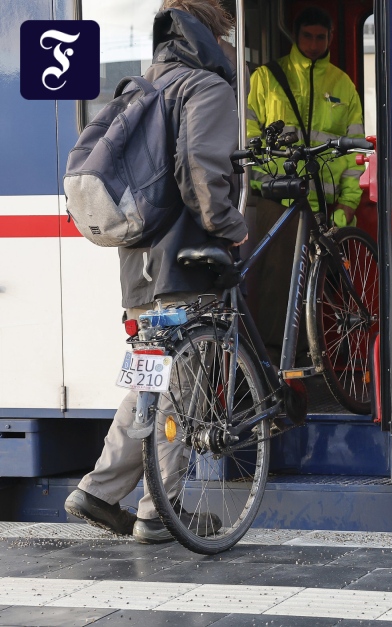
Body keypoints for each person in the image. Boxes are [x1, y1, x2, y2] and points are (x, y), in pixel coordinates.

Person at [64, 0, 248, 544]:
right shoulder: (204, 87)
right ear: (216, 30)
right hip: (183, 264)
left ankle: (100, 489)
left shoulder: (142, 86)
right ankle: (159, 510)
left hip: (138, 267)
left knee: (149, 379)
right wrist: (232, 225)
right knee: (182, 388)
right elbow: (202, 173)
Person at [244, 6, 364, 346]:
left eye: (320, 37)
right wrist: (264, 182)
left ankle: (310, 363)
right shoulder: (265, 79)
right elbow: (249, 139)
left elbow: (355, 154)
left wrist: (348, 204)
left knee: (321, 288)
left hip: (325, 207)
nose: (314, 44)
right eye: (308, 37)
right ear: (296, 37)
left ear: (330, 38)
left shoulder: (344, 84)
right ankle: (273, 366)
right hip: (278, 199)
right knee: (278, 285)